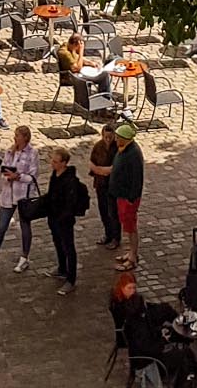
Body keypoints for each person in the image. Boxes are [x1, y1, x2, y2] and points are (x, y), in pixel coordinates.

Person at [0, 125, 40, 270]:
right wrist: (7, 175)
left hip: (23, 196)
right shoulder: (10, 151)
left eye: (18, 135)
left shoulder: (33, 153)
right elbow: (3, 169)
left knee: (25, 227)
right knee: (1, 226)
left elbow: (33, 177)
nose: (15, 137)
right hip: (8, 194)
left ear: (25, 138)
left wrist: (18, 176)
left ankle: (24, 257)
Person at [39, 146, 88, 289]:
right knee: (58, 244)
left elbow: (70, 204)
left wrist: (62, 217)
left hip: (64, 220)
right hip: (53, 217)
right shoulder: (55, 175)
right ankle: (61, 269)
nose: (52, 164)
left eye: (55, 162)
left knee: (68, 247)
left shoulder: (70, 181)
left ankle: (71, 280)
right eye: (52, 161)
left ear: (64, 163)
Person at [108, 120, 145, 267]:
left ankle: (133, 257)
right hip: (121, 195)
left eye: (118, 137)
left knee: (130, 227)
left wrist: (131, 198)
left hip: (128, 198)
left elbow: (137, 179)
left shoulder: (133, 154)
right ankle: (131, 252)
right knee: (127, 226)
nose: (115, 139)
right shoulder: (123, 148)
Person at [89, 116, 121, 248]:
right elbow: (92, 163)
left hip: (112, 185)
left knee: (113, 212)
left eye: (110, 137)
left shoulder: (117, 149)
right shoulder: (98, 146)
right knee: (103, 211)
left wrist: (102, 170)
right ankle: (108, 234)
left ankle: (116, 238)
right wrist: (99, 170)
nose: (107, 140)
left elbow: (115, 169)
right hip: (101, 184)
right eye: (105, 137)